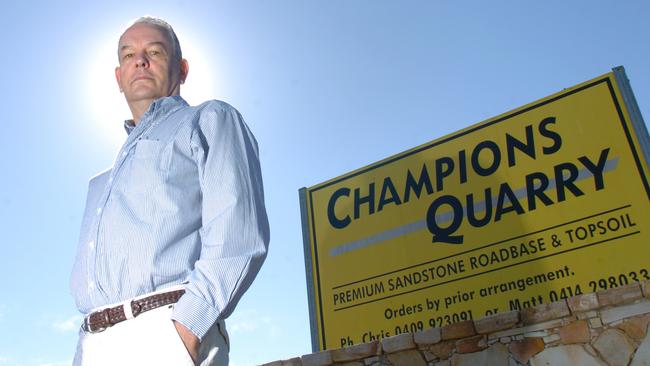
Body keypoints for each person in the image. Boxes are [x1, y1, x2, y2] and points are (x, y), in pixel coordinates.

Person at [70, 16, 269, 365]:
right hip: (91, 345)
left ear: (182, 68)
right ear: (119, 77)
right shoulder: (102, 181)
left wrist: (186, 329)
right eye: (128, 54)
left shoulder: (209, 119)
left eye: (155, 51)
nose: (140, 60)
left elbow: (239, 234)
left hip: (162, 334)